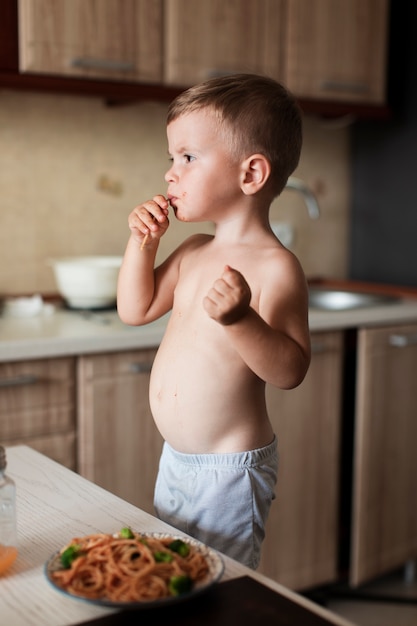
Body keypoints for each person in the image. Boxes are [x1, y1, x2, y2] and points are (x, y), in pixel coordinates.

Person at [117, 73, 311, 569]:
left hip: (229, 473)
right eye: (171, 158)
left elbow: (290, 371)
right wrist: (143, 245)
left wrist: (242, 318)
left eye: (187, 157)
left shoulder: (276, 267)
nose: (170, 173)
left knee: (223, 589)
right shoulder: (194, 249)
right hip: (176, 462)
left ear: (250, 175)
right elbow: (134, 309)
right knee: (177, 575)